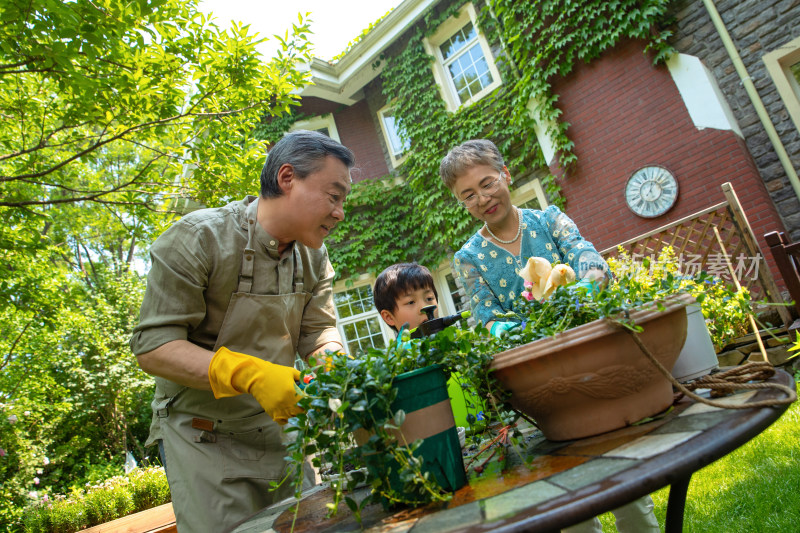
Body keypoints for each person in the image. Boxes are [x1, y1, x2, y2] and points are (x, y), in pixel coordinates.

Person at [130, 130, 355, 532]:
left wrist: (337, 370)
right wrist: (249, 374)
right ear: (287, 178)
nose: (340, 212)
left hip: (282, 430)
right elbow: (153, 346)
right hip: (204, 438)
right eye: (334, 196)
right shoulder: (198, 238)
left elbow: (320, 331)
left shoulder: (315, 257)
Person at [440, 139, 659, 533]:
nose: (482, 199)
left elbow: (587, 257)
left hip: (592, 364)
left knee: (622, 478)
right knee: (564, 495)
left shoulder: (550, 221)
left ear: (505, 175)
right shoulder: (468, 259)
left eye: (488, 183)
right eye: (468, 196)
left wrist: (589, 282)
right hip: (535, 386)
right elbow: (485, 320)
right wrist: (510, 329)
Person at [373, 262, 481, 427]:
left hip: (478, 423)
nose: (425, 307)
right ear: (388, 317)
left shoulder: (451, 340)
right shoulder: (400, 358)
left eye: (429, 298)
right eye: (410, 302)